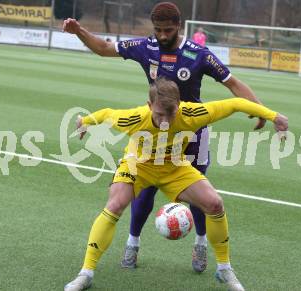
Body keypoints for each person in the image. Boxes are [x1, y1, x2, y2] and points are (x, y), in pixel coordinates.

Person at [62, 1, 266, 273]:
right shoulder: (146, 47)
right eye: (158, 29)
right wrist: (79, 31)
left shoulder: (199, 55)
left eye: (167, 30)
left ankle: (201, 243)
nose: (162, 35)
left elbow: (233, 84)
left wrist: (260, 110)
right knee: (145, 188)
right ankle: (133, 243)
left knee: (201, 193)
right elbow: (103, 49)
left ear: (178, 27)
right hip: (156, 131)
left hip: (193, 133)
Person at [64, 77, 288, 291]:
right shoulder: (134, 118)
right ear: (149, 105)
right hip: (138, 166)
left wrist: (273, 116)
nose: (164, 121)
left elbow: (235, 103)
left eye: (170, 114)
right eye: (159, 114)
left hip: (174, 167)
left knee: (214, 204)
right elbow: (107, 114)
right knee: (114, 205)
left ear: (179, 105)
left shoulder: (191, 113)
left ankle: (224, 268)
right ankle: (86, 273)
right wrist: (84, 122)